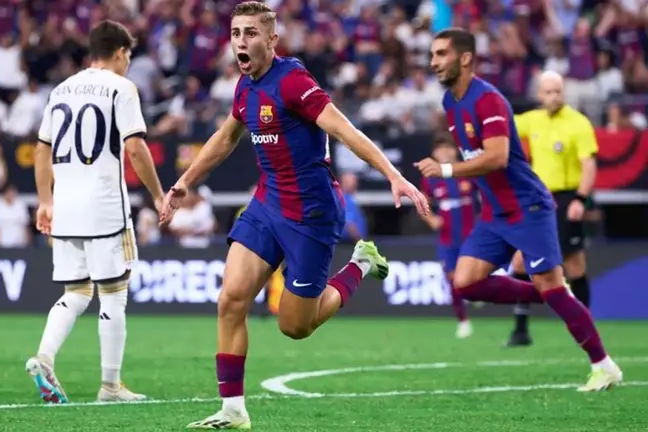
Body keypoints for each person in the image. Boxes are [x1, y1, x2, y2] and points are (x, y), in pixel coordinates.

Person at [159, 2, 429, 429]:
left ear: (271, 40)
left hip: (311, 214)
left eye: (250, 33)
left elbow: (343, 128)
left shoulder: (293, 81)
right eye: (235, 33)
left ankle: (360, 263)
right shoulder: (244, 87)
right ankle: (233, 410)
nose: (240, 42)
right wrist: (185, 181)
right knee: (230, 299)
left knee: (294, 327)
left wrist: (393, 175)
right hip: (267, 205)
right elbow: (226, 136)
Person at [416, 28, 621, 392]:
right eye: (432, 54)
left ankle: (604, 365)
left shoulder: (489, 100)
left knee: (551, 286)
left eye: (441, 53)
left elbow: (496, 158)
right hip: (494, 214)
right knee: (465, 282)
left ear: (465, 58)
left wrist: (445, 168)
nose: (433, 61)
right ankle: (552, 294)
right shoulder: (451, 103)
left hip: (528, 207)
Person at [27, 20, 167, 405]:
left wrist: (44, 199)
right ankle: (110, 386)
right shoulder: (122, 89)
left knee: (75, 291)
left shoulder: (60, 90)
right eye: (129, 56)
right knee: (113, 294)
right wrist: (158, 196)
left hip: (66, 206)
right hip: (105, 205)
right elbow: (136, 148)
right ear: (121, 52)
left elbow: (42, 148)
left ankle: (44, 357)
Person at [504, 71, 599, 347]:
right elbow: (502, 125)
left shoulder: (578, 123)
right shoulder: (533, 120)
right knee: (520, 261)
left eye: (557, 91)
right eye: (547, 91)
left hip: (568, 197)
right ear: (539, 94)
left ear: (564, 92)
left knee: (573, 263)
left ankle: (585, 326)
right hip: (538, 199)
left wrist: (581, 199)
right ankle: (520, 330)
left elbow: (589, 165)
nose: (553, 96)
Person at [420, 136, 477, 339]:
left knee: (475, 274)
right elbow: (422, 203)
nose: (444, 153)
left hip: (471, 234)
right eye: (440, 149)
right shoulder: (430, 178)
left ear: (455, 150)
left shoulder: (467, 170)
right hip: (447, 237)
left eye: (448, 148)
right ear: (434, 153)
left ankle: (479, 291)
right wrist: (431, 219)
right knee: (452, 279)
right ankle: (463, 321)